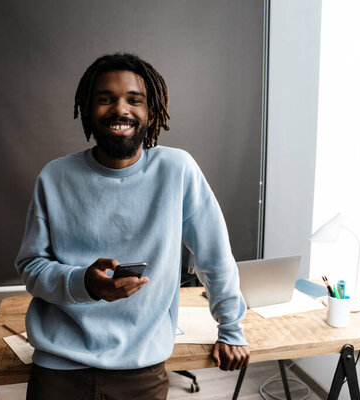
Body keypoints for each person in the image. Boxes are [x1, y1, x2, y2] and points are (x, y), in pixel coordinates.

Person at [15, 53, 250, 400]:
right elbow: (31, 268)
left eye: (134, 100)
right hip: (59, 369)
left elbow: (215, 257)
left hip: (140, 371)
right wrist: (84, 284)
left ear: (151, 112)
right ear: (87, 108)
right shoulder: (54, 177)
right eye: (105, 99)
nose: (120, 109)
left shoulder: (177, 170)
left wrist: (230, 328)